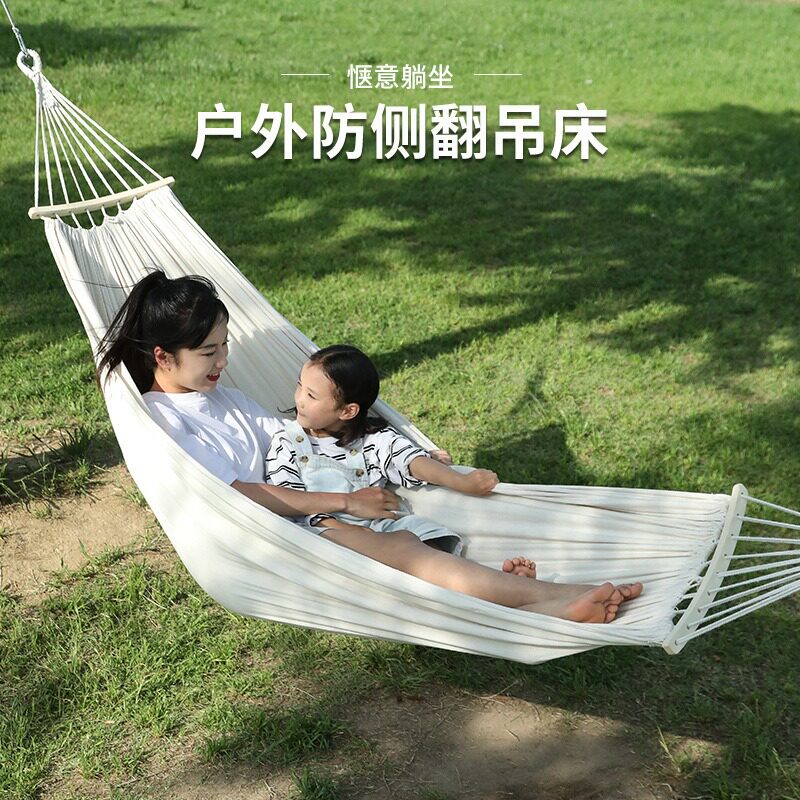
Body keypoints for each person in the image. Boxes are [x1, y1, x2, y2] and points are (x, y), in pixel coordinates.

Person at [97, 270, 642, 623]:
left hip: (315, 509)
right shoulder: (163, 422)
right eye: (209, 353)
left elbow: (301, 436)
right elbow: (236, 494)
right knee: (405, 551)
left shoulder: (227, 399)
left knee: (411, 538)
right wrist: (346, 501)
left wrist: (397, 451)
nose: (223, 361)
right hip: (273, 538)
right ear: (163, 357)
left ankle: (532, 594)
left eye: (225, 346)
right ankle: (553, 602)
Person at [266, 344, 507, 557]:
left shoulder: (372, 439)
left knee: (422, 534)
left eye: (311, 395)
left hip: (384, 526)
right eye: (300, 386)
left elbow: (409, 461)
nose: (299, 399)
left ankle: (472, 575)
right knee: (397, 550)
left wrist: (459, 480)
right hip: (326, 533)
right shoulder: (287, 442)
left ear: (348, 411)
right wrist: (345, 529)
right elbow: (291, 502)